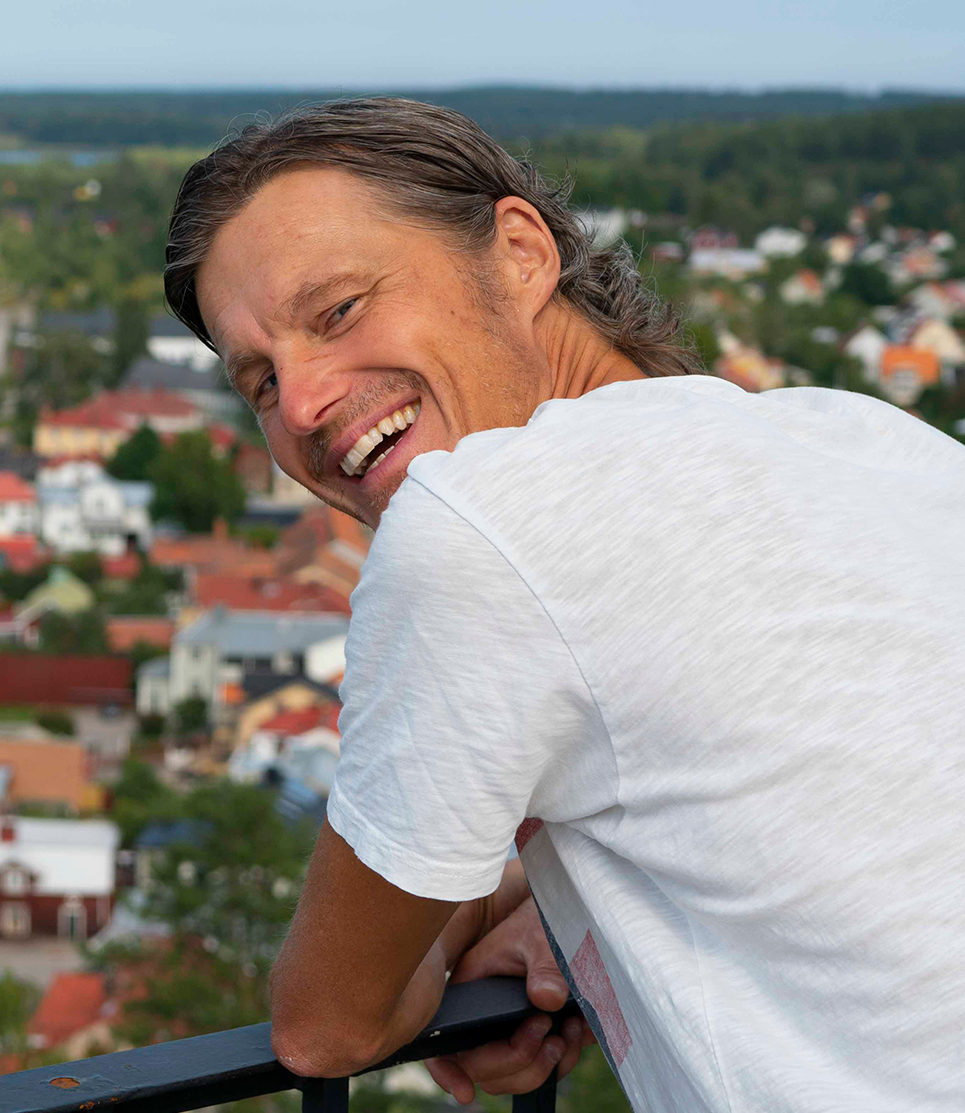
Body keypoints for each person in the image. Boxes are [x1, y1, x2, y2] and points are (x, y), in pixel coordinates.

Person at [163, 97, 965, 1110]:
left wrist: (459, 920)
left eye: (337, 311)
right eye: (259, 382)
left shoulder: (479, 520)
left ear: (516, 252)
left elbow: (328, 1025)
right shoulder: (862, 441)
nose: (306, 401)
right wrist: (571, 912)